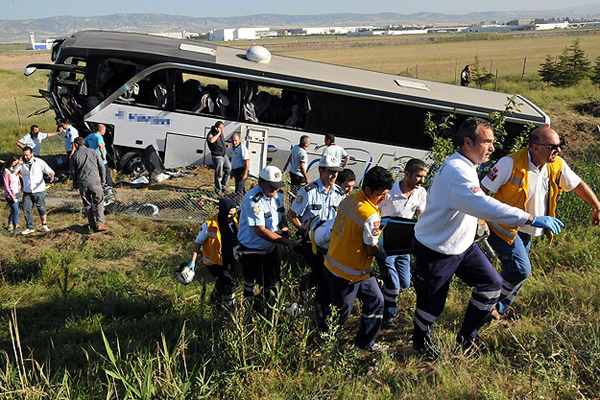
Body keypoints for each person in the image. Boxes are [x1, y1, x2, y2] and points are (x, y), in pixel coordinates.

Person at [411, 117, 564, 356]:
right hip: (437, 248)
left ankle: (467, 337)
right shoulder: (456, 171)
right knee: (431, 305)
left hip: (462, 244)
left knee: (491, 284)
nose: (492, 148)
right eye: (487, 142)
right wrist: (530, 218)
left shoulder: (466, 165)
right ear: (468, 142)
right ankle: (421, 345)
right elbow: (484, 205)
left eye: (492, 142)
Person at [481, 126, 600, 319]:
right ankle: (492, 307)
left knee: (516, 271)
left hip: (528, 229)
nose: (558, 151)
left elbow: (577, 184)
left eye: (560, 146)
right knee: (522, 269)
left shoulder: (557, 164)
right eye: (553, 146)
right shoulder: (509, 163)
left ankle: (489, 305)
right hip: (503, 227)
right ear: (535, 148)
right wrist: (480, 221)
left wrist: (597, 207)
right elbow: (482, 191)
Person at [324, 166, 394, 352]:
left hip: (340, 265)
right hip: (349, 272)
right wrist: (387, 253)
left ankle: (364, 345)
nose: (384, 198)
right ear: (369, 190)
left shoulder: (350, 199)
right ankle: (325, 342)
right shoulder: (370, 214)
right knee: (341, 313)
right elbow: (370, 248)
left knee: (376, 301)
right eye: (381, 194)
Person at [287, 154, 345, 325]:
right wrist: (303, 231)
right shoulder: (308, 191)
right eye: (330, 172)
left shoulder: (339, 193)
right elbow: (292, 215)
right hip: (311, 243)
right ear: (321, 171)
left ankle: (309, 289)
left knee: (328, 276)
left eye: (336, 172)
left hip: (330, 244)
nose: (334, 176)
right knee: (323, 276)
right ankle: (320, 311)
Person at [377, 158, 428, 328]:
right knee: (394, 285)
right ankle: (387, 318)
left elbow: (421, 217)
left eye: (424, 177)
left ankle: (378, 293)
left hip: (405, 245)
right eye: (418, 176)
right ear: (407, 174)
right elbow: (374, 210)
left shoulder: (421, 193)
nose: (421, 181)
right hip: (387, 244)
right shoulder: (389, 192)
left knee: (405, 283)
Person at [237, 166, 296, 313]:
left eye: (277, 187)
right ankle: (253, 309)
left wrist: (284, 230)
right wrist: (287, 243)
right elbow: (261, 231)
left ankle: (267, 310)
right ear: (261, 182)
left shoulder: (278, 195)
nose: (275, 190)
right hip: (253, 250)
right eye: (271, 187)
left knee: (276, 283)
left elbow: (281, 215)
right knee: (269, 284)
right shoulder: (252, 199)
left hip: (270, 247)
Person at [177, 198, 239, 309]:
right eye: (230, 214)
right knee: (228, 285)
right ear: (223, 212)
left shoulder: (235, 222)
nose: (233, 216)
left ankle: (213, 302)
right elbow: (197, 243)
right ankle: (231, 310)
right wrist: (192, 262)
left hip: (229, 260)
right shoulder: (209, 224)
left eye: (234, 214)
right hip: (214, 263)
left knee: (222, 283)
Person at [70, 137, 109, 232]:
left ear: (76, 145)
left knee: (87, 204)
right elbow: (101, 166)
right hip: (95, 182)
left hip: (82, 183)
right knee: (99, 202)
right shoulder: (93, 152)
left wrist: (75, 184)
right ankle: (100, 224)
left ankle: (92, 224)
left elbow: (73, 172)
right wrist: (103, 178)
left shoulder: (74, 156)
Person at [20, 146, 55, 235]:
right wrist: (17, 165)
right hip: (27, 190)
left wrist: (51, 175)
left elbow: (49, 171)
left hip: (39, 189)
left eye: (27, 155)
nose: (26, 157)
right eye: (24, 155)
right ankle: (30, 227)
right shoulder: (21, 164)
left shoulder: (39, 162)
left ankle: (44, 225)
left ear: (32, 154)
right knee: (26, 209)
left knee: (41, 207)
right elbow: (13, 171)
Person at [207, 121, 231, 193]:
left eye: (223, 128)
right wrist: (218, 133)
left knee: (228, 169)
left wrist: (225, 145)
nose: (222, 130)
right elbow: (211, 140)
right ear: (216, 127)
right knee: (219, 173)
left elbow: (221, 141)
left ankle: (223, 185)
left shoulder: (221, 133)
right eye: (220, 128)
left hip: (224, 154)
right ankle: (218, 189)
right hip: (217, 156)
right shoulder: (211, 133)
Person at [2, 156, 22, 233]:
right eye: (15, 162)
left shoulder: (15, 171)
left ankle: (10, 225)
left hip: (16, 193)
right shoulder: (6, 171)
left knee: (14, 210)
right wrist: (12, 196)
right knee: (16, 211)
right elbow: (7, 186)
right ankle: (15, 227)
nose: (16, 164)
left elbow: (18, 181)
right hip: (10, 195)